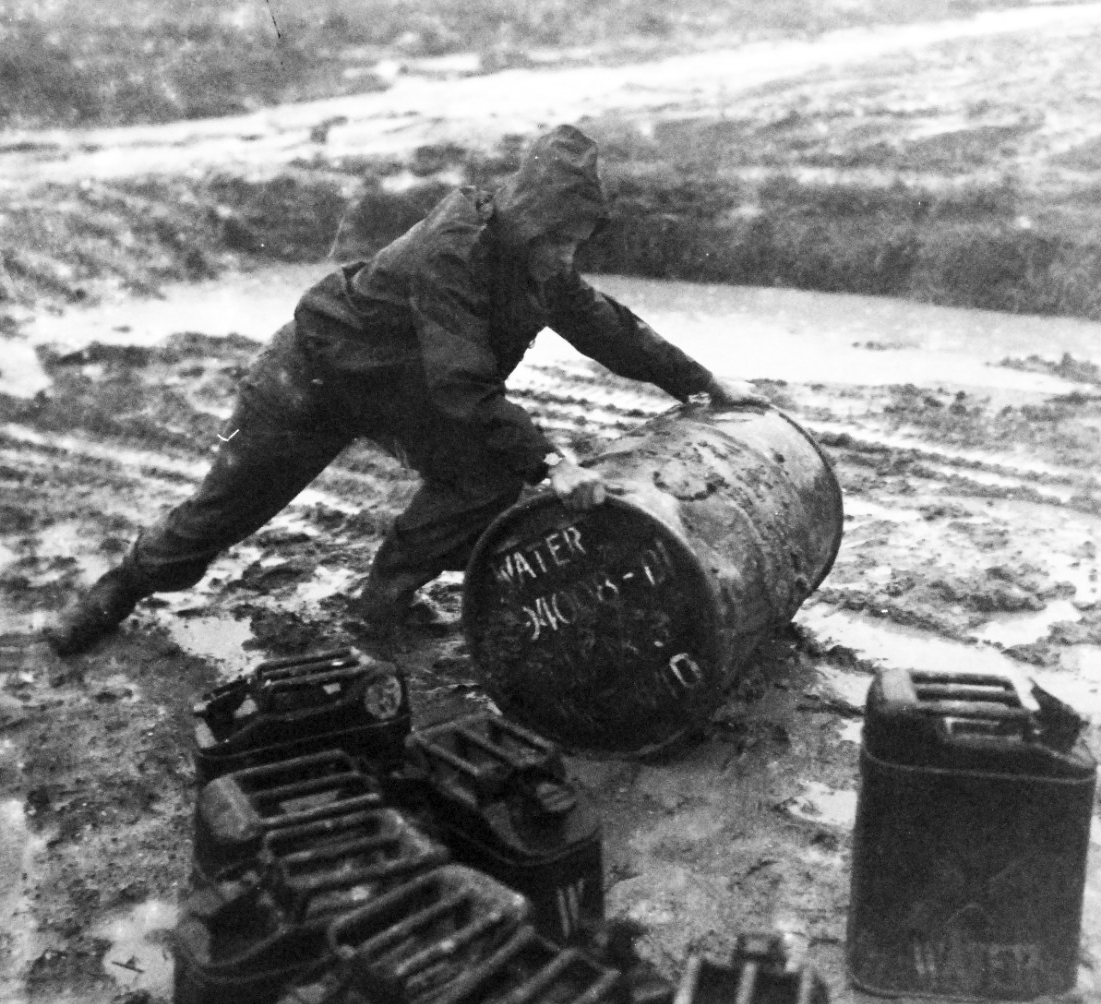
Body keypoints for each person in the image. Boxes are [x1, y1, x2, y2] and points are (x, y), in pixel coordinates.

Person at [47, 124, 766, 656]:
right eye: (560, 234)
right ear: (531, 212)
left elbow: (606, 325)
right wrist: (552, 460)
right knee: (218, 517)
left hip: (401, 390)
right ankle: (117, 591)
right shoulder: (456, 245)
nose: (567, 253)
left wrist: (698, 380)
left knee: (484, 473)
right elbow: (463, 387)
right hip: (312, 380)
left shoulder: (539, 261)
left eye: (579, 239)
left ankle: (382, 600)